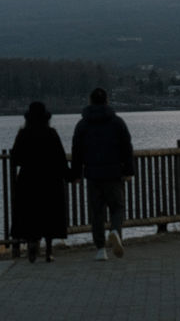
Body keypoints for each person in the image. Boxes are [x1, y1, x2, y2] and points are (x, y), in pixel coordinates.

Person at [70, 87, 134, 261]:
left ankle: (100, 249)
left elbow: (76, 151)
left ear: (90, 101)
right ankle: (115, 231)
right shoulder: (117, 122)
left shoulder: (82, 124)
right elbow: (127, 147)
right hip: (114, 173)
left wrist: (75, 174)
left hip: (92, 174)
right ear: (107, 100)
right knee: (118, 207)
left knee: (96, 212)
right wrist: (128, 171)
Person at [10, 101, 71, 263]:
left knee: (30, 213)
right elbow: (60, 158)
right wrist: (69, 175)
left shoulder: (23, 134)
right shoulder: (51, 133)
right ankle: (48, 251)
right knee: (49, 214)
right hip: (50, 180)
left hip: (28, 179)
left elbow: (15, 158)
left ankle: (31, 242)